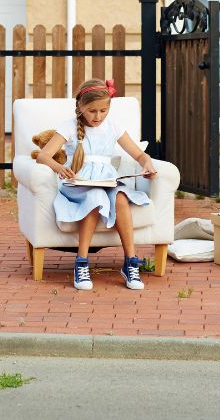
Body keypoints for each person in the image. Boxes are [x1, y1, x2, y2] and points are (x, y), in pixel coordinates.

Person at [33, 78, 158, 291]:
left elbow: (138, 154)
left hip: (106, 181)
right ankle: (81, 262)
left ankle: (130, 262)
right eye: (92, 111)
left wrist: (147, 163)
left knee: (120, 198)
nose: (98, 117)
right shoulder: (70, 126)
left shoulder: (113, 126)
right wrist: (59, 168)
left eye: (103, 111)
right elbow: (43, 156)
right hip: (79, 183)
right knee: (94, 198)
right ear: (80, 106)